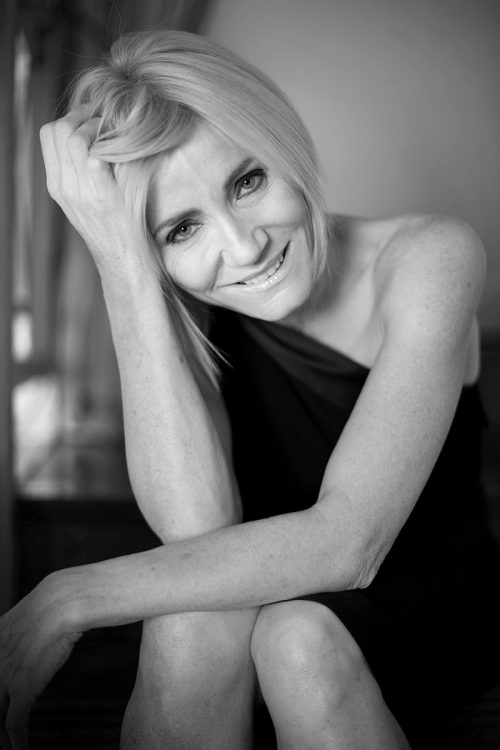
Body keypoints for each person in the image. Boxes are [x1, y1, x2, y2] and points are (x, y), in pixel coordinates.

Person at [1, 28, 500, 750]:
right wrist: (123, 265)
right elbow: (194, 530)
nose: (243, 248)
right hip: (258, 601)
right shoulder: (178, 306)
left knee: (293, 636)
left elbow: (350, 544)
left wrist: (67, 597)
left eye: (246, 182)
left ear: (285, 146)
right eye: (180, 229)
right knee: (190, 614)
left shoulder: (432, 256)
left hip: (424, 597)